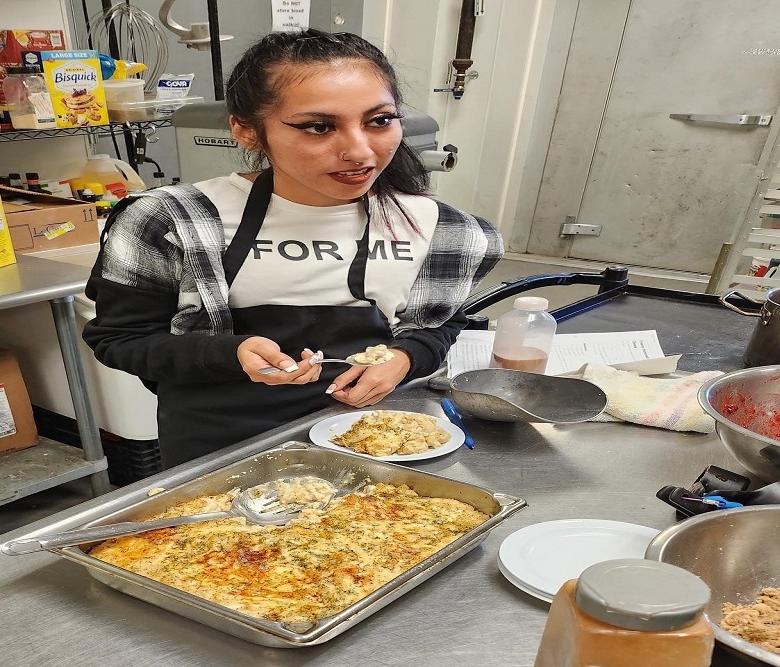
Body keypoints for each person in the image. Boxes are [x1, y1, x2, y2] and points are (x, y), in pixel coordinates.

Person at [83, 29, 503, 468]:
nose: (360, 152)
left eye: (378, 121)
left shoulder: (442, 230)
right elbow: (120, 339)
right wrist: (228, 354)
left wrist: (404, 358)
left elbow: (441, 323)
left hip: (373, 437)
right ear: (246, 130)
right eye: (318, 127)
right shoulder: (173, 221)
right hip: (221, 451)